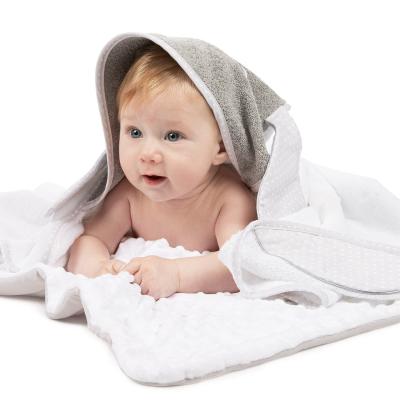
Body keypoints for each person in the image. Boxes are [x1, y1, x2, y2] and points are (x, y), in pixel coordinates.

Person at [66, 43, 257, 300]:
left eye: (172, 136)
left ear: (221, 147)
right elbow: (91, 240)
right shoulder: (129, 195)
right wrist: (97, 269)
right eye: (135, 132)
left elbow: (240, 265)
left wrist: (176, 275)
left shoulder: (229, 200)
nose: (147, 154)